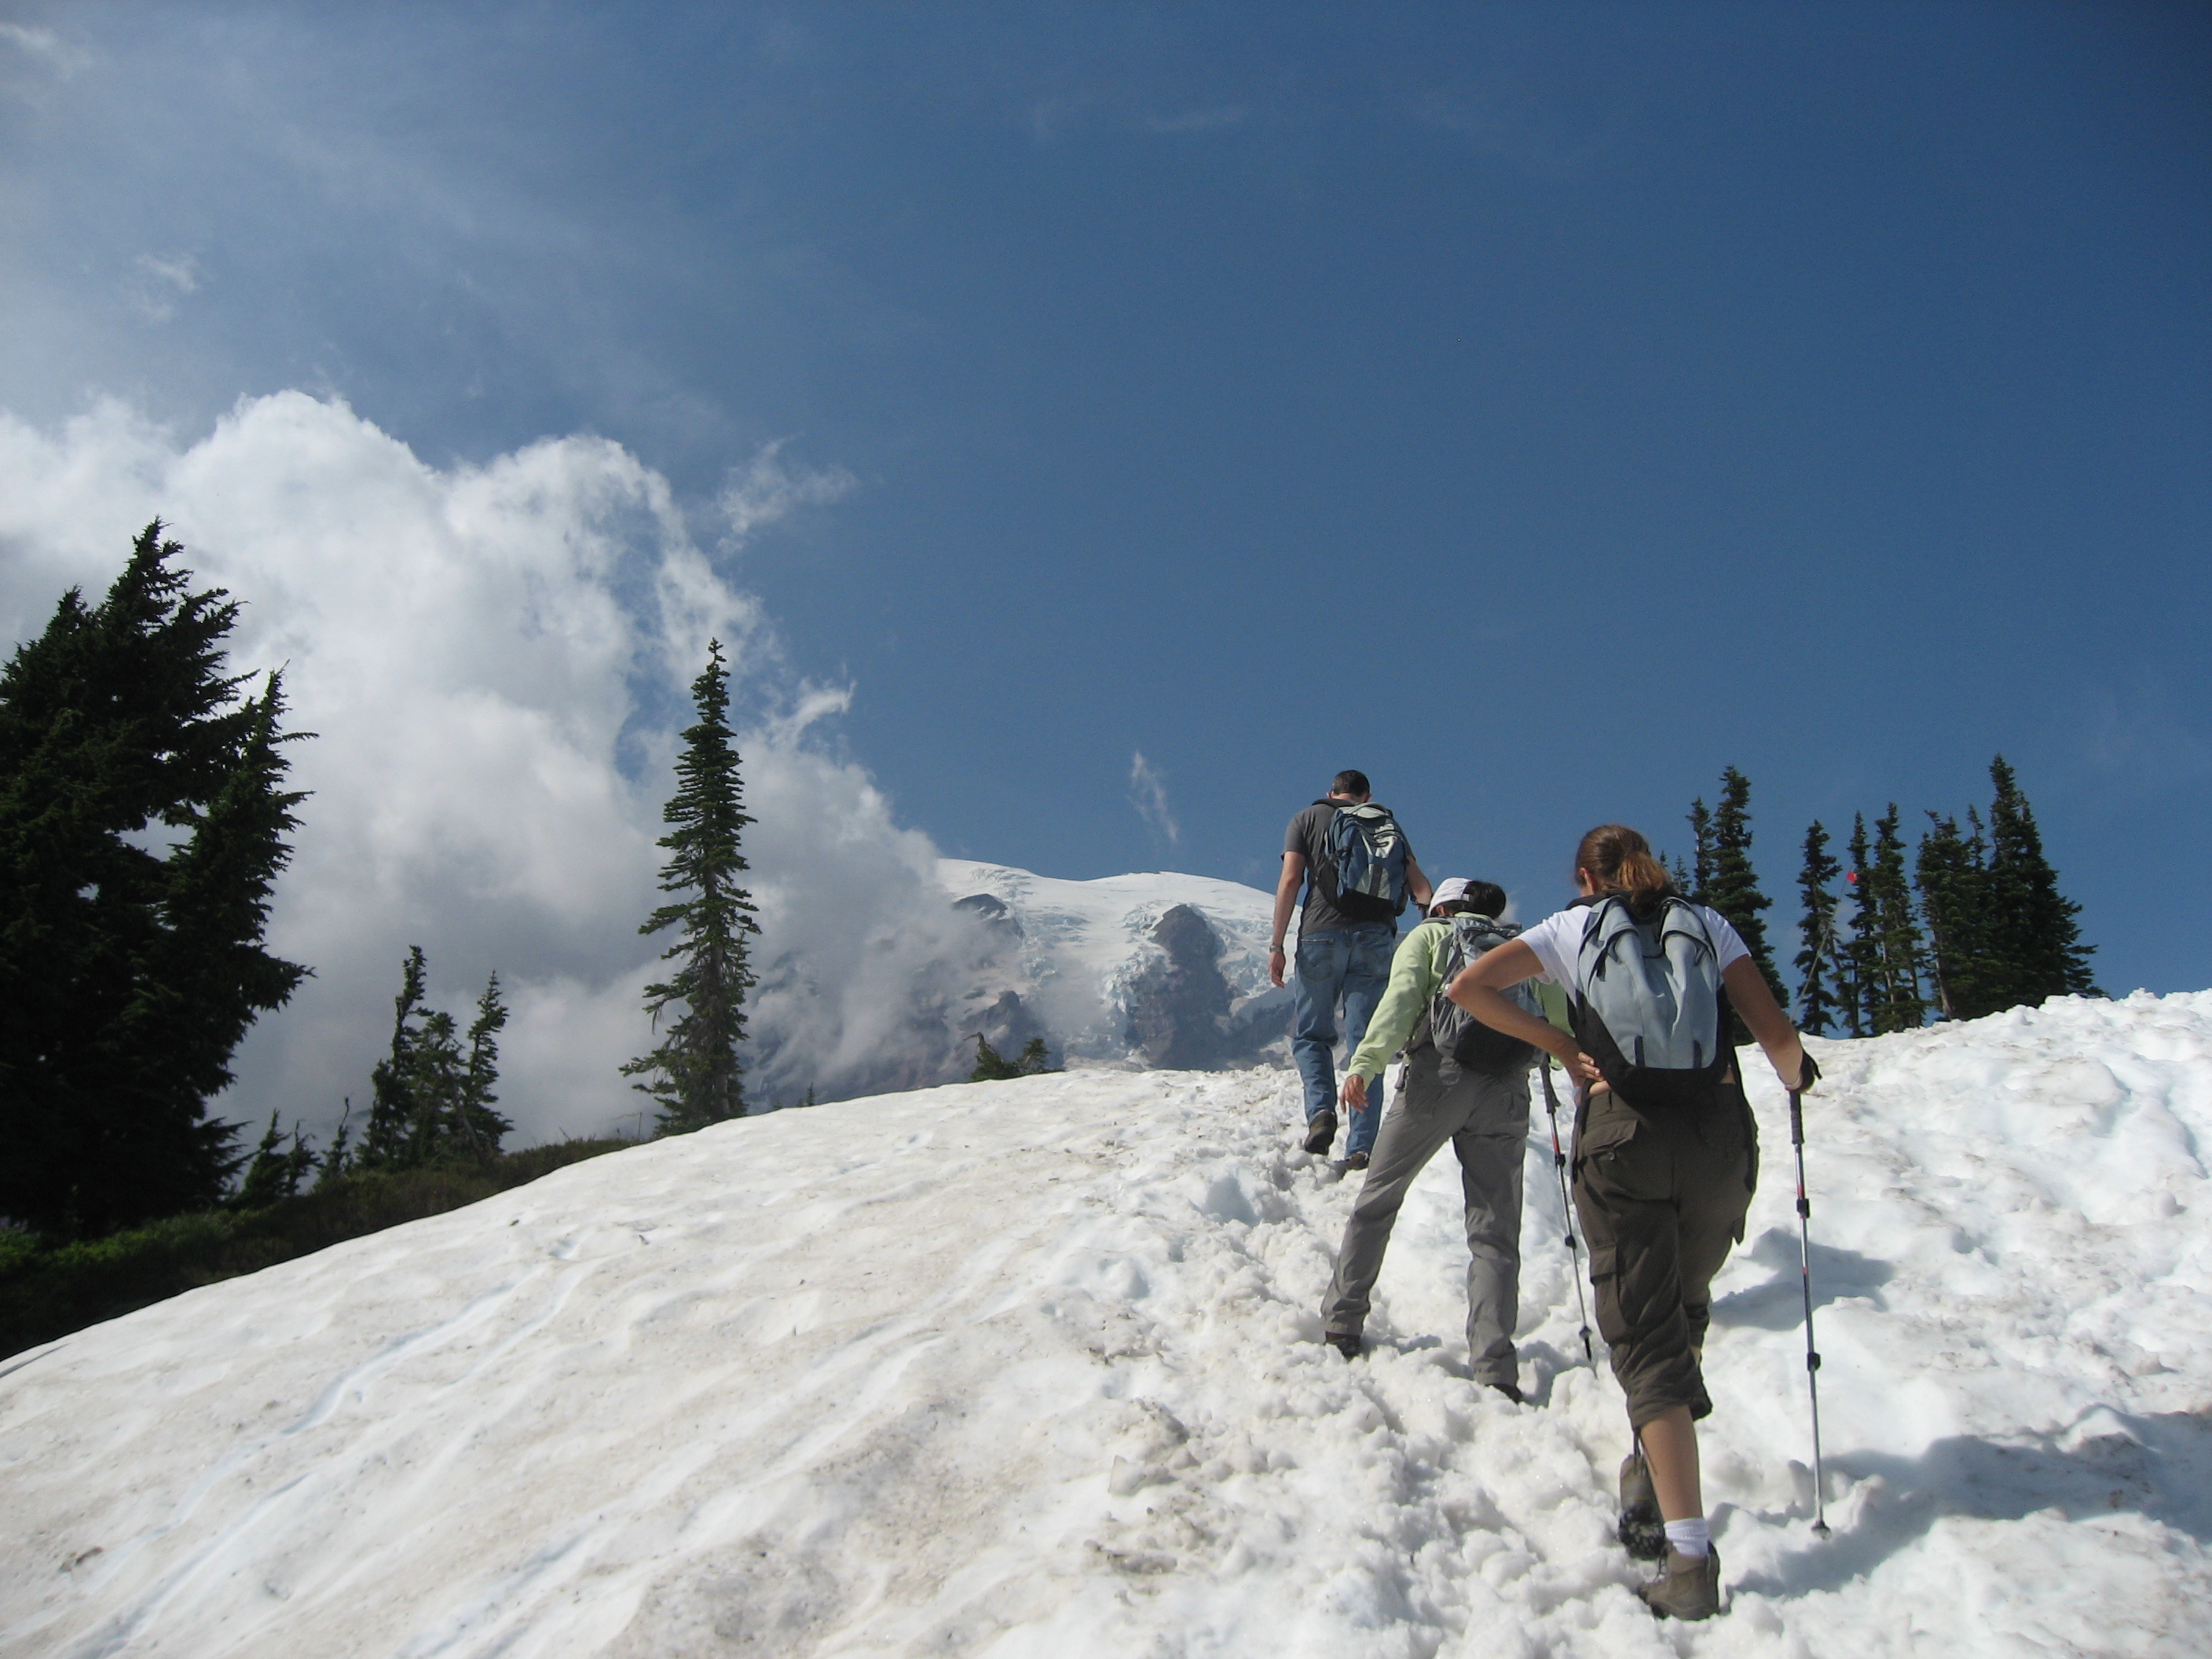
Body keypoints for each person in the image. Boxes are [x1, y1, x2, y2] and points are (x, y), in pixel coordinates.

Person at [1445, 824, 1813, 1623]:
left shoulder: (1572, 927)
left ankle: (1686, 1557)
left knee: (1644, 1337)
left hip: (1622, 1136)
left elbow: (1466, 989)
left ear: (1584, 877)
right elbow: (1778, 1041)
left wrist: (1553, 1042)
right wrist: (1796, 1077)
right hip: (1717, 1140)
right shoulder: (1706, 924)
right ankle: (1651, 1467)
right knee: (1680, 1309)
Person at [1319, 878, 1559, 1401]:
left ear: (1445, 908)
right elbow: (1553, 1016)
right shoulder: (1515, 949)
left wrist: (1366, 1064)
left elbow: (1402, 999)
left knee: (1377, 1201)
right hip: (1507, 1091)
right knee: (1495, 1230)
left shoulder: (1431, 938)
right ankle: (1495, 1365)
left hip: (1437, 1079)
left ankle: (1343, 1321)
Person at [1269, 771, 1432, 1163]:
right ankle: (1361, 1148)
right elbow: (1420, 885)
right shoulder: (1387, 825)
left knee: (1312, 1035)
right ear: (1366, 796)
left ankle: (1322, 1113)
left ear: (1331, 793)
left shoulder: (1307, 818)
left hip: (1321, 934)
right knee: (1366, 1043)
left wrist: (1277, 945)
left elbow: (1291, 879)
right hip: (1375, 939)